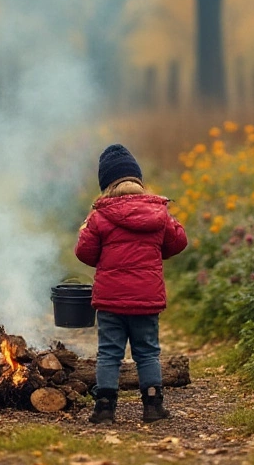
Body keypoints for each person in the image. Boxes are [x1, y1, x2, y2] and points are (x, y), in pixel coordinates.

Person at [76, 144, 187, 424]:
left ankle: (104, 408)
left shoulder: (99, 215)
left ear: (106, 184)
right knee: (147, 351)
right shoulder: (158, 212)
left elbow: (84, 253)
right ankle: (152, 406)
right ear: (138, 180)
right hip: (146, 299)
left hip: (111, 300)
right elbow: (179, 242)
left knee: (109, 353)